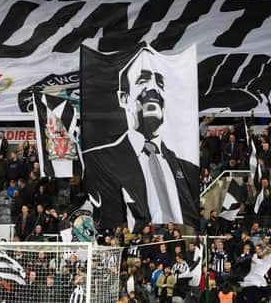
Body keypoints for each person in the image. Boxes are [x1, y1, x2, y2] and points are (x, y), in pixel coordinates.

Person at [84, 46, 200, 226]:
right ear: (124, 98)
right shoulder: (99, 159)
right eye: (142, 80)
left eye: (159, 83)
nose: (153, 89)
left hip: (172, 239)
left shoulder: (187, 167)